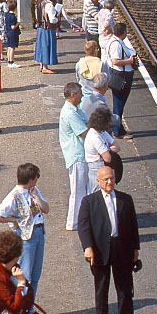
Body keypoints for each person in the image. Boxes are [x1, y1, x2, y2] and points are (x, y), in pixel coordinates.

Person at [77, 166, 139, 314]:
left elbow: (133, 226)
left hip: (122, 247)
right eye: (106, 179)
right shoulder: (89, 202)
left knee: (124, 286)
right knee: (101, 285)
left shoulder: (126, 199)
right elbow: (83, 227)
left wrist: (135, 248)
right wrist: (87, 247)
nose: (110, 182)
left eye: (111, 178)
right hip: (99, 250)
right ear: (98, 182)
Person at [0, 163, 50, 296]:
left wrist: (36, 196)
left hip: (39, 232)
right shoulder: (14, 195)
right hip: (26, 237)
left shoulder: (33, 190)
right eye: (36, 178)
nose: (37, 181)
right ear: (31, 179)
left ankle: (30, 307)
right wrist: (13, 220)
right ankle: (19, 308)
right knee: (25, 274)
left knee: (35, 274)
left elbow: (46, 209)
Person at [59, 83, 89, 231]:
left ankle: (82, 219)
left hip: (81, 154)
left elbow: (87, 122)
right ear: (73, 95)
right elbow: (84, 131)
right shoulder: (70, 113)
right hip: (77, 155)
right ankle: (72, 222)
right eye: (80, 94)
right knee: (77, 191)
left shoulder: (76, 110)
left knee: (83, 189)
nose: (82, 96)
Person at [103, 22, 138, 138]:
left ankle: (120, 129)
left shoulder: (116, 41)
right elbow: (115, 61)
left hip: (123, 75)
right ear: (123, 33)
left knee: (120, 105)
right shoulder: (116, 45)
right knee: (118, 105)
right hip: (120, 76)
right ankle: (117, 132)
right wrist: (130, 61)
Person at [84, 106, 121, 187]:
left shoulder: (102, 132)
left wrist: (107, 149)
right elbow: (108, 158)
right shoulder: (94, 136)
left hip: (101, 165)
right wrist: (109, 150)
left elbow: (117, 146)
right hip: (96, 167)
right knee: (97, 191)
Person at [34, 0, 59, 74]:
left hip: (40, 27)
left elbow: (37, 15)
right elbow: (52, 19)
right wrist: (57, 19)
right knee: (46, 46)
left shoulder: (38, 3)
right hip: (47, 28)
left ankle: (41, 65)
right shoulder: (49, 4)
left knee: (41, 45)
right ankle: (45, 67)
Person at [4, 0, 20, 67]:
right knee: (12, 48)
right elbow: (13, 27)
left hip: (8, 32)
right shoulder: (13, 16)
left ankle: (9, 61)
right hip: (13, 33)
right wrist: (17, 24)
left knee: (9, 47)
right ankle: (11, 61)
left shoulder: (6, 15)